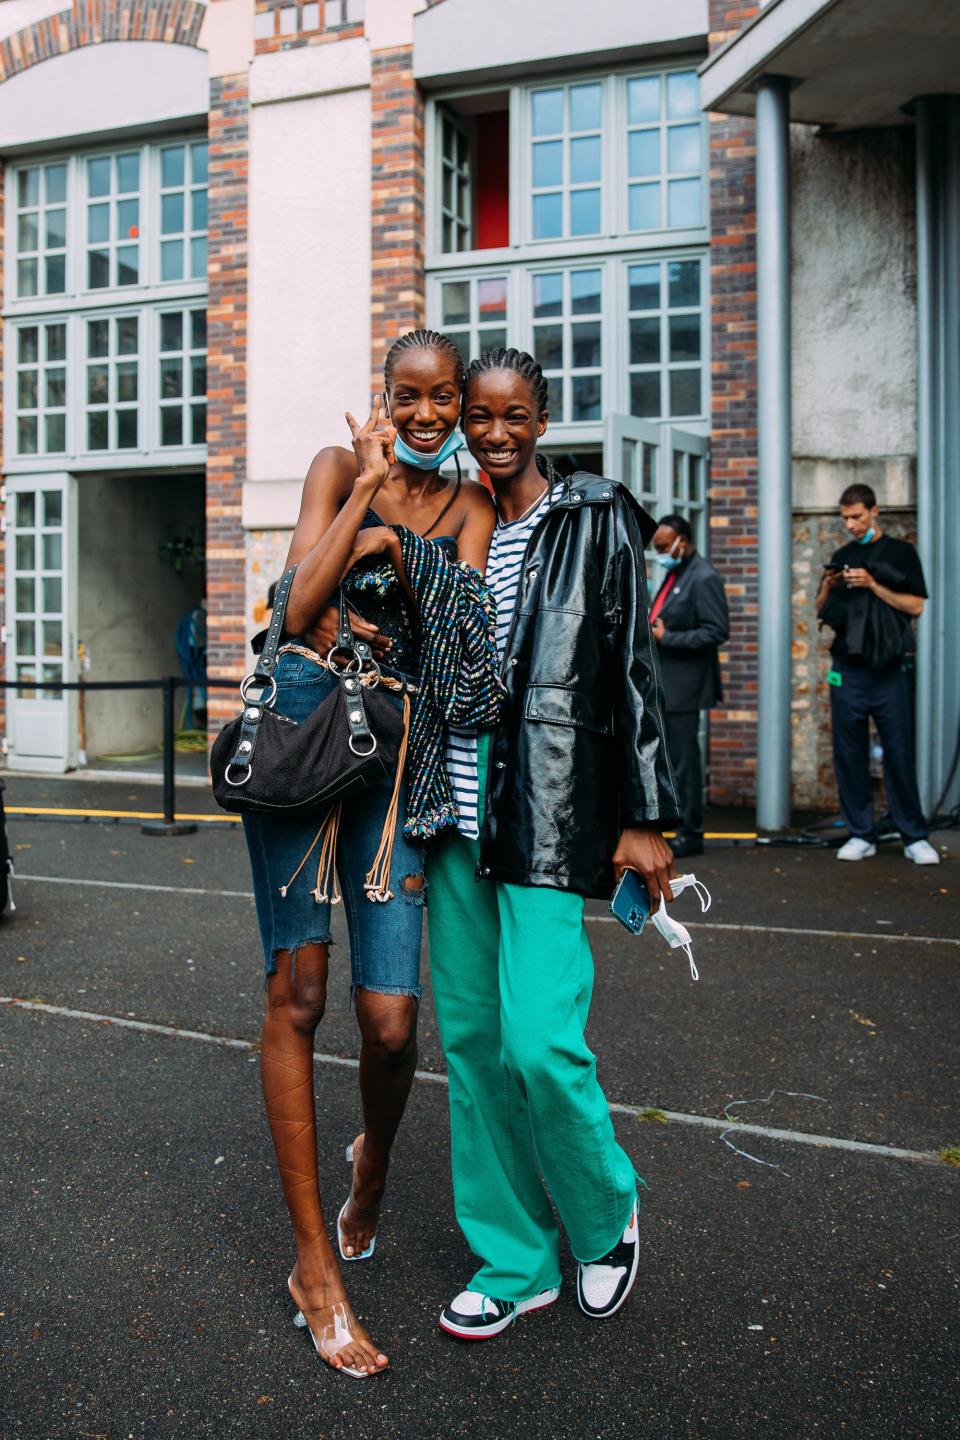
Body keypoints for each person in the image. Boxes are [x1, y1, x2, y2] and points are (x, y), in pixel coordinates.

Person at [241, 329, 497, 1378]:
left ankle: (375, 1157)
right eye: (409, 398)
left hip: (401, 763)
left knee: (391, 1022)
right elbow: (296, 608)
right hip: (306, 734)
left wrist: (410, 554)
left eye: (444, 400)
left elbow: (464, 652)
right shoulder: (342, 467)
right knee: (297, 993)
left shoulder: (473, 504)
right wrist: (366, 504)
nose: (428, 415)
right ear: (384, 401)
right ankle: (315, 1270)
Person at [426, 348, 681, 1340]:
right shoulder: (452, 517)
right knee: (477, 1049)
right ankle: (515, 1258)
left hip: (546, 811)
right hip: (447, 820)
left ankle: (604, 1211)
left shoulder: (592, 511)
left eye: (513, 415)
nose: (494, 432)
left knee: (539, 1040)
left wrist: (645, 817)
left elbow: (629, 667)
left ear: (541, 415)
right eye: (478, 416)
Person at [815, 482, 939, 865]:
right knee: (848, 753)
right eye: (845, 518)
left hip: (889, 670)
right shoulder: (842, 554)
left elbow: (915, 606)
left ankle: (913, 835)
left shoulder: (901, 553)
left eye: (856, 516)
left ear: (874, 511)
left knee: (899, 752)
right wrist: (829, 584)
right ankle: (861, 834)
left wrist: (871, 583)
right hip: (848, 671)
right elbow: (820, 610)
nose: (851, 524)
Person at [649, 514, 729, 858]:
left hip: (686, 686)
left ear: (682, 540)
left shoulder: (704, 576)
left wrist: (669, 637)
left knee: (685, 762)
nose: (660, 553)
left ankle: (690, 833)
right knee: (672, 761)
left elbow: (717, 630)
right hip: (668, 684)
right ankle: (676, 825)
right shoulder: (675, 573)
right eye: (656, 548)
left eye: (664, 547)